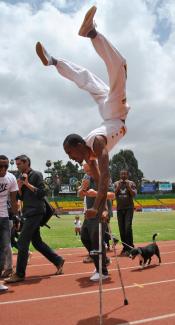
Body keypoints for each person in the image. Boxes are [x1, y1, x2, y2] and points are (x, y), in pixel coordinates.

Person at [36, 5, 130, 219]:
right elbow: (100, 180)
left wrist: (97, 207)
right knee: (87, 79)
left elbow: (105, 176)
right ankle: (54, 60)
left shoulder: (97, 142)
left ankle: (91, 33)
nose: (70, 159)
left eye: (70, 153)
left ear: (80, 145)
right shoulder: (90, 155)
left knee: (119, 67)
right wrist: (104, 208)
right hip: (110, 112)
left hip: (115, 112)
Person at [5, 155, 64, 283]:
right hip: (28, 213)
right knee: (37, 242)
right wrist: (19, 187)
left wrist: (27, 184)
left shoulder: (36, 175)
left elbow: (42, 193)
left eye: (19, 164)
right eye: (16, 164)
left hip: (37, 211)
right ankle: (58, 260)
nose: (17, 166)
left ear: (27, 163)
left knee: (21, 242)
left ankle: (20, 274)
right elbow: (20, 198)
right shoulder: (20, 177)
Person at [78, 163, 114, 281]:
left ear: (96, 167)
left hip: (101, 214)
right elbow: (80, 194)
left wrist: (96, 193)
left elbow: (112, 195)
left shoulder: (104, 177)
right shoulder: (86, 178)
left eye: (89, 170)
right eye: (85, 171)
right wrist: (82, 188)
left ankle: (102, 271)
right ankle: (104, 261)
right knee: (84, 237)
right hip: (89, 213)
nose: (87, 173)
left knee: (96, 242)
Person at [0, 155, 18, 291]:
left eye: (6, 166)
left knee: (5, 248)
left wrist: (16, 217)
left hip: (4, 218)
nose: (4, 169)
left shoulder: (11, 178)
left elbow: (13, 200)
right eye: (1, 166)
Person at [114, 169, 137, 256]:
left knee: (127, 227)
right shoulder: (116, 184)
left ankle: (130, 247)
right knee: (121, 229)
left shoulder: (131, 183)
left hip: (129, 208)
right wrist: (118, 187)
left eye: (125, 174)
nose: (123, 175)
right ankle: (125, 248)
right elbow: (113, 195)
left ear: (127, 175)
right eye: (121, 174)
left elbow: (134, 194)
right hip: (119, 209)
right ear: (120, 175)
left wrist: (128, 187)